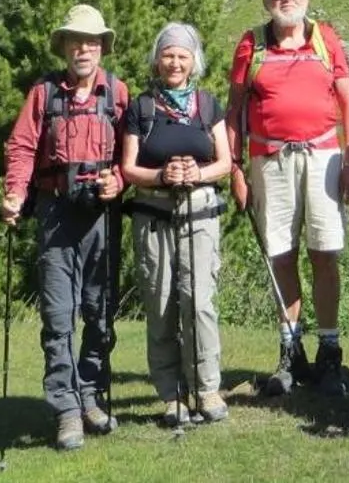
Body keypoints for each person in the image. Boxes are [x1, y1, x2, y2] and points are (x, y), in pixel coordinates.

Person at [228, 0, 349, 396]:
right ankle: (291, 351)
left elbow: (347, 102)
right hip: (269, 160)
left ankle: (329, 352)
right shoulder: (251, 43)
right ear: (266, 0)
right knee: (280, 256)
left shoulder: (325, 38)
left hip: (324, 157)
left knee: (325, 253)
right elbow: (234, 110)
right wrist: (235, 169)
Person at [2, 3, 130, 451]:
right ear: (64, 48)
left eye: (91, 42)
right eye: (76, 41)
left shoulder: (117, 93)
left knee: (100, 312)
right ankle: (67, 410)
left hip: (101, 215)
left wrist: (120, 180)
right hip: (55, 213)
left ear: (101, 48)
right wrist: (15, 193)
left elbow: (131, 152)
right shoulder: (44, 94)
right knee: (59, 315)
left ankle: (90, 394)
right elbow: (22, 146)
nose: (83, 49)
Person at [119, 22, 232, 427]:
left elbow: (225, 162)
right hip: (153, 215)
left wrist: (196, 174)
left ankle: (207, 388)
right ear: (157, 59)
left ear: (193, 61)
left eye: (183, 55)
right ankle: (172, 395)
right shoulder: (141, 108)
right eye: (168, 55)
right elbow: (128, 168)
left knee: (199, 303)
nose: (175, 62)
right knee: (161, 303)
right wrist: (162, 176)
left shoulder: (207, 105)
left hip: (199, 212)